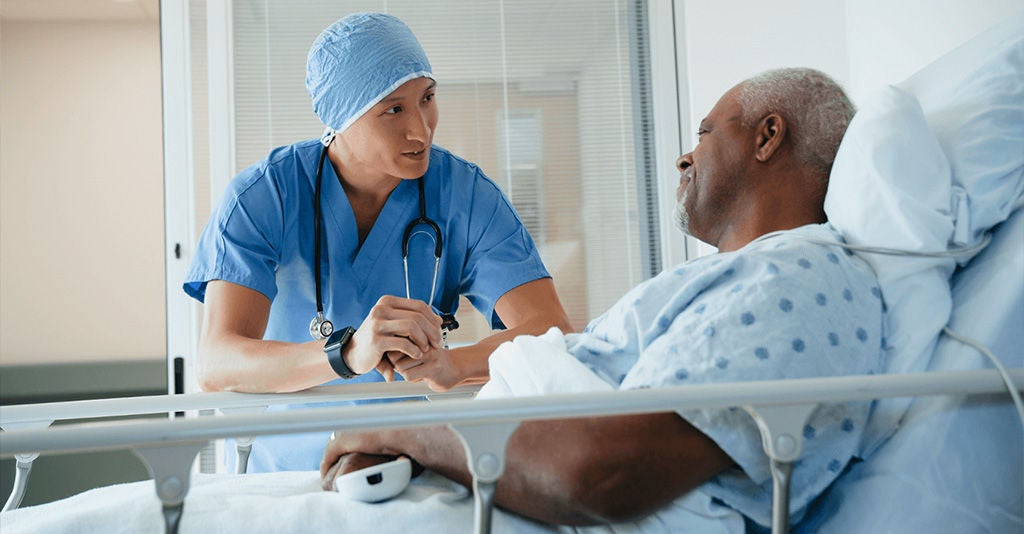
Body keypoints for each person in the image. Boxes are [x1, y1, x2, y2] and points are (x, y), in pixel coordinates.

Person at [321, 68, 886, 528]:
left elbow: (604, 474)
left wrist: (400, 432)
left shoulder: (795, 279)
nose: (684, 159)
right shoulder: (737, 278)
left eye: (706, 134)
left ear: (768, 136)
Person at [183, 12, 571, 473]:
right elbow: (216, 362)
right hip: (279, 475)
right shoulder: (266, 196)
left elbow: (552, 333)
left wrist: (455, 365)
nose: (421, 130)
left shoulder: (465, 196)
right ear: (340, 117)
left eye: (427, 98)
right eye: (393, 110)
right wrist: (347, 353)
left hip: (401, 469)